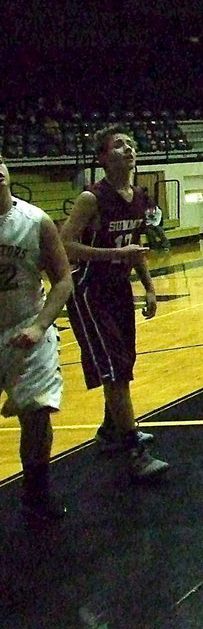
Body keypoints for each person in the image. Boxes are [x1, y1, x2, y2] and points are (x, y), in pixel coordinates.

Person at [60, 125, 169, 481]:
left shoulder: (139, 195)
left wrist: (149, 288)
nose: (128, 149)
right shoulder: (91, 199)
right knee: (115, 369)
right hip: (90, 292)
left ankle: (110, 430)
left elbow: (135, 248)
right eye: (119, 145)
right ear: (103, 157)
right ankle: (135, 450)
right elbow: (64, 246)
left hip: (120, 289)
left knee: (125, 364)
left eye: (131, 144)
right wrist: (114, 253)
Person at [0, 154, 73, 519]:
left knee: (38, 413)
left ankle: (36, 493)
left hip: (27, 323)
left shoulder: (34, 221)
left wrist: (41, 325)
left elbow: (63, 280)